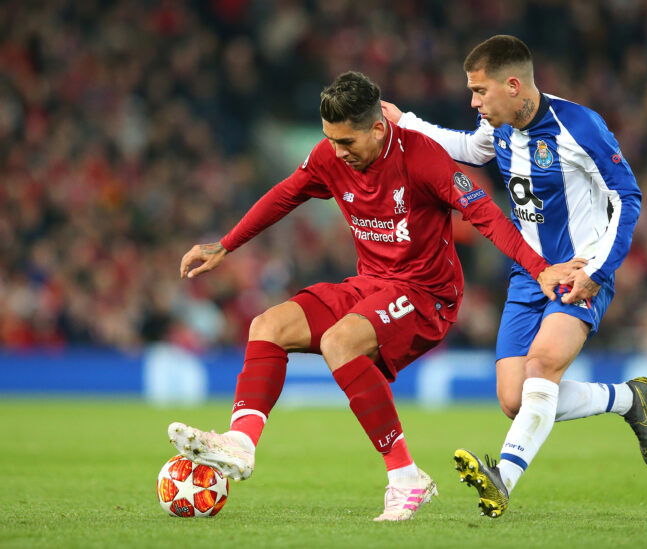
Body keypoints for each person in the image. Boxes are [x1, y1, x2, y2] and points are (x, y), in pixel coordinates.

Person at [168, 71, 581, 522]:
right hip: (371, 284)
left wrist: (539, 269)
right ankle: (241, 444)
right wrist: (225, 244)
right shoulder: (330, 156)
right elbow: (285, 195)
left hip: (427, 294)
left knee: (339, 342)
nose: (337, 153)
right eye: (330, 141)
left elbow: (484, 214)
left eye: (347, 142)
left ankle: (405, 477)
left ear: (378, 128)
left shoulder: (422, 157)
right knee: (267, 325)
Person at [381, 35, 647, 519]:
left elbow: (628, 197)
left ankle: (502, 479)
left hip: (579, 271)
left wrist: (598, 270)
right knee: (516, 398)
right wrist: (404, 122)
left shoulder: (579, 126)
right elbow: (470, 148)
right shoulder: (501, 125)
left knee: (543, 366)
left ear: (513, 86)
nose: (474, 102)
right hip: (528, 275)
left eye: (479, 91)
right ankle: (625, 398)